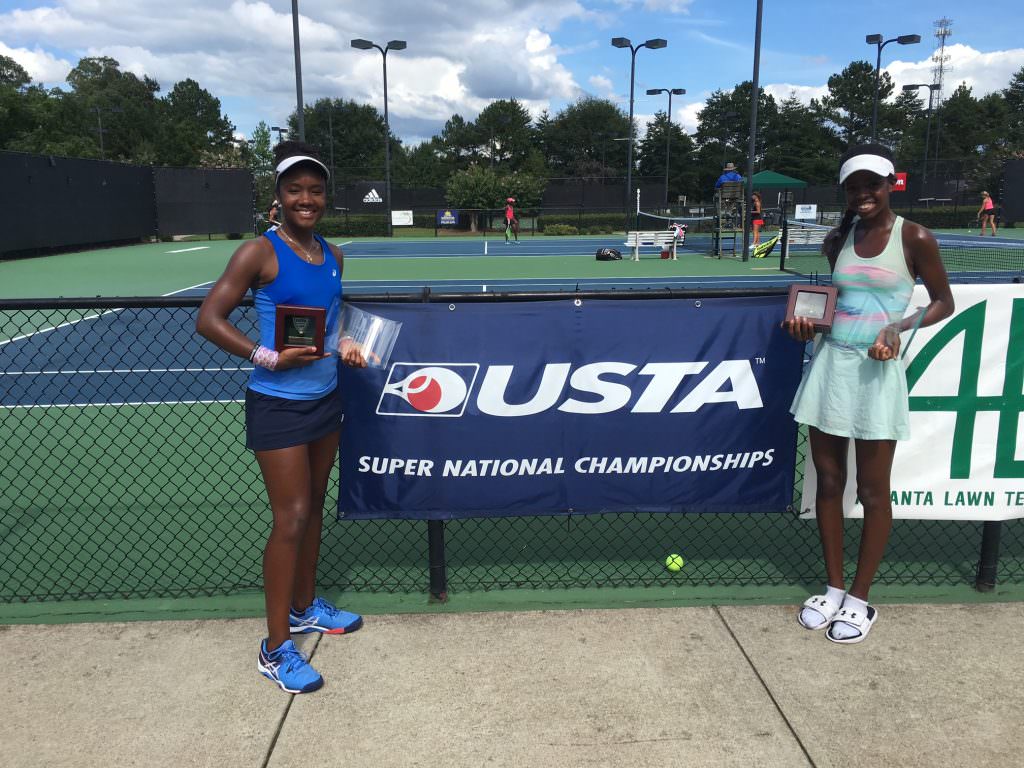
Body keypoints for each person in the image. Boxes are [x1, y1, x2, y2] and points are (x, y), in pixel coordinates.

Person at [196, 141, 368, 694]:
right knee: (290, 516)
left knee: (313, 507)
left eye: (315, 190)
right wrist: (266, 354)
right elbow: (209, 319)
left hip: (325, 400)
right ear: (278, 196)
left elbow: (334, 322)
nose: (306, 199)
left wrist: (346, 344)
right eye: (295, 189)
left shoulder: (334, 255)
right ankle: (275, 649)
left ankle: (303, 606)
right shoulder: (259, 252)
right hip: (277, 404)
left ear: (325, 199)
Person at [784, 143, 954, 644]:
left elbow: (943, 301)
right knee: (829, 484)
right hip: (831, 367)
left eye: (872, 185)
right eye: (854, 186)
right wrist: (806, 327)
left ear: (889, 185)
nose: (863, 194)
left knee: (873, 491)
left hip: (879, 375)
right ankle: (833, 588)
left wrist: (900, 327)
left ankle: (860, 599)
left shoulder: (915, 237)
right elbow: (834, 311)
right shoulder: (839, 240)